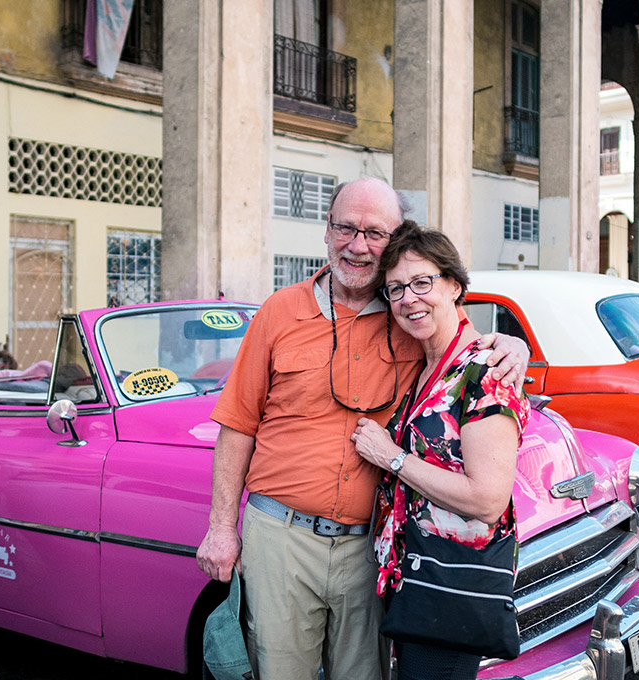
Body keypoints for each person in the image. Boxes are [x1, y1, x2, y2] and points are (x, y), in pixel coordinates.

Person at [195, 177, 529, 680]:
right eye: (345, 228)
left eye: (374, 232)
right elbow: (238, 425)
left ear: (393, 240)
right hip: (279, 540)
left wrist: (511, 347)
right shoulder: (278, 312)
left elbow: (459, 348)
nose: (357, 244)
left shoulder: (406, 317)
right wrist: (221, 528)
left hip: (368, 551)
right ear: (326, 231)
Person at [351, 222, 529, 680]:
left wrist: (391, 456)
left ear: (454, 285)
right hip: (413, 581)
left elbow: (487, 500)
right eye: (395, 289)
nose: (409, 298)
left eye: (422, 282)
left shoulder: (484, 371)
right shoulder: (427, 365)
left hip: (451, 589)